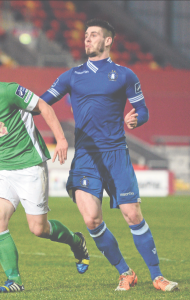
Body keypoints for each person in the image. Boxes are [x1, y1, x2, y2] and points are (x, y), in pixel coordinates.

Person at [39, 19, 178, 292]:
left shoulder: (125, 75)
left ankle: (157, 276)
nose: (87, 39)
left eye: (93, 35)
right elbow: (39, 103)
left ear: (108, 40)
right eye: (86, 35)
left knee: (132, 214)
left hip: (116, 154)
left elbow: (144, 111)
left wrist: (136, 119)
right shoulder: (71, 76)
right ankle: (125, 272)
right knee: (91, 219)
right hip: (86, 157)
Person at [0, 63, 90, 293]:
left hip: (29, 166)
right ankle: (13, 280)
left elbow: (44, 106)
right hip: (1, 169)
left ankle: (76, 242)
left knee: (39, 229)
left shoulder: (8, 91)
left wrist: (61, 139)